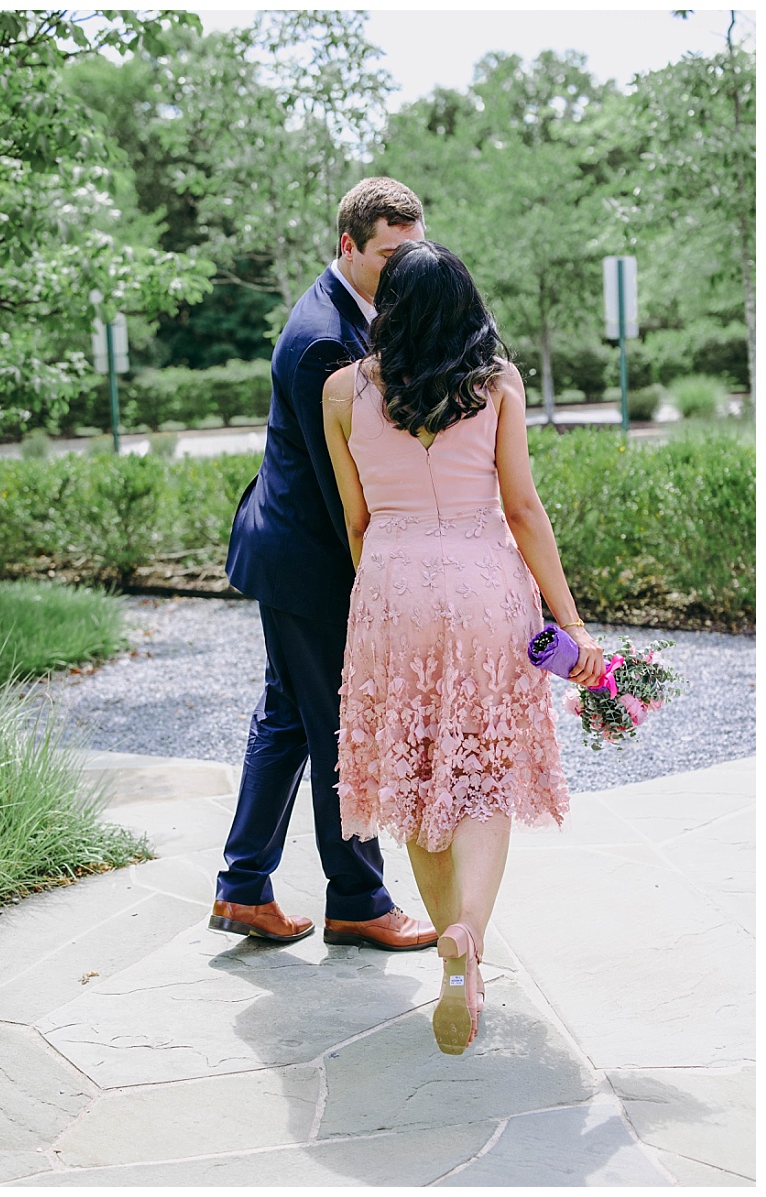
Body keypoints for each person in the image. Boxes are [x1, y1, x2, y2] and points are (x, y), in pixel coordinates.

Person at [321, 239, 603, 1054]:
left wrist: (380, 596)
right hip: (486, 587)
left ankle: (456, 953)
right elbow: (522, 507)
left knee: (414, 778)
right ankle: (469, 939)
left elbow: (357, 519)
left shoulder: (344, 391)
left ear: (389, 308)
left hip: (391, 588)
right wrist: (570, 620)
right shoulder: (498, 384)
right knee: (483, 771)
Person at [214, 178, 437, 952]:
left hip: (290, 549)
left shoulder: (369, 312)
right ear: (347, 246)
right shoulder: (323, 342)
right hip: (309, 560)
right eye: (389, 256)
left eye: (415, 253)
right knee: (341, 725)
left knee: (286, 718)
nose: (405, 269)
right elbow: (351, 484)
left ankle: (243, 888)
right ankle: (357, 899)